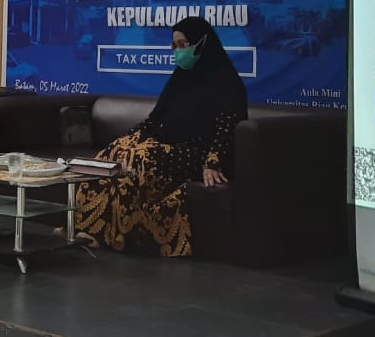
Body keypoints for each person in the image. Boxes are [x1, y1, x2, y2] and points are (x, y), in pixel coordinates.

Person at [74, 16, 248, 256]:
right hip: (169, 146)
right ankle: (81, 227)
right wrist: (129, 139)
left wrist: (213, 161)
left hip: (198, 154)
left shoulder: (225, 81)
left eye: (183, 45)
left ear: (202, 44)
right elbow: (156, 120)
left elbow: (227, 126)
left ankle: (111, 236)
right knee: (111, 154)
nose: (178, 51)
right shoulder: (180, 78)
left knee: (141, 159)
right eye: (174, 45)